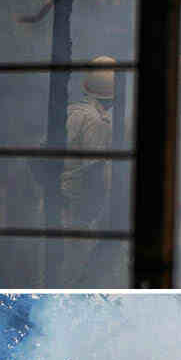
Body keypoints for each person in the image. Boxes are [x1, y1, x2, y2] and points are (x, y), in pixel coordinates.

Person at [60, 57, 115, 285]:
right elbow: (94, 171)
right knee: (74, 276)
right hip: (75, 213)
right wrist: (90, 217)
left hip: (56, 206)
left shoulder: (70, 112)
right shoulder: (97, 123)